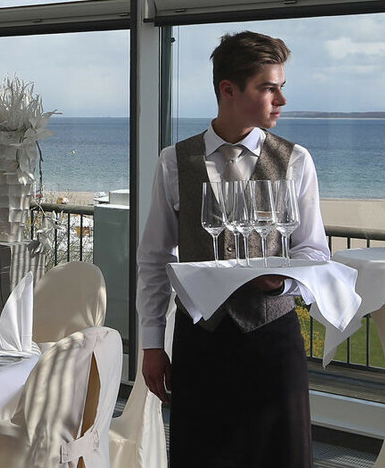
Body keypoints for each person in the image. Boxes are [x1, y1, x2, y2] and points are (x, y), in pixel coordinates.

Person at [136, 31, 329, 468]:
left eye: (281, 87)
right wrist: (151, 342)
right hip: (200, 343)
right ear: (229, 89)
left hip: (272, 339)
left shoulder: (296, 161)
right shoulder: (174, 162)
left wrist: (282, 283)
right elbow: (154, 258)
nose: (281, 100)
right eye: (268, 88)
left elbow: (315, 252)